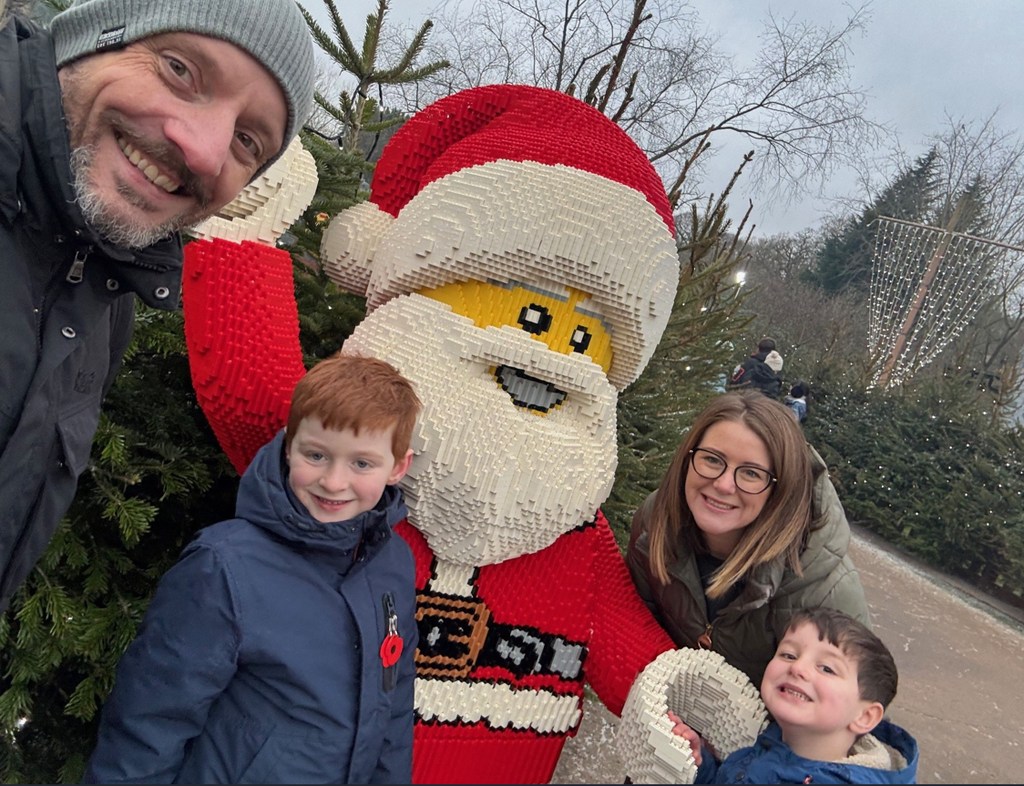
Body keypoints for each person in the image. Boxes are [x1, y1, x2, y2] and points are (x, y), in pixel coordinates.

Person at [180, 84, 688, 784]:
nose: (547, 360)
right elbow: (253, 394)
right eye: (528, 319)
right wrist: (242, 240)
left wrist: (696, 707)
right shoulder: (348, 471)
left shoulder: (579, 543)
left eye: (581, 339)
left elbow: (642, 664)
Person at [0, 0, 314, 613]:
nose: (203, 151)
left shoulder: (105, 296)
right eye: (179, 69)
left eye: (247, 141)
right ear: (92, 38)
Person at [83, 354, 421, 784]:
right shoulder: (224, 566)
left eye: (361, 464)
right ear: (288, 445)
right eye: (315, 455)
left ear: (397, 467)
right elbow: (150, 720)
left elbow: (394, 698)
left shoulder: (391, 562)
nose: (334, 482)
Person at [627, 391, 870, 685]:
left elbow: (836, 715)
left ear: (781, 490)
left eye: (752, 474)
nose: (723, 484)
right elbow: (636, 625)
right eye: (712, 459)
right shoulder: (656, 522)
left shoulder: (828, 592)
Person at [670, 607, 920, 783]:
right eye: (789, 655)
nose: (797, 668)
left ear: (865, 716)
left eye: (826, 668)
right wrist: (701, 764)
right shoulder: (767, 743)